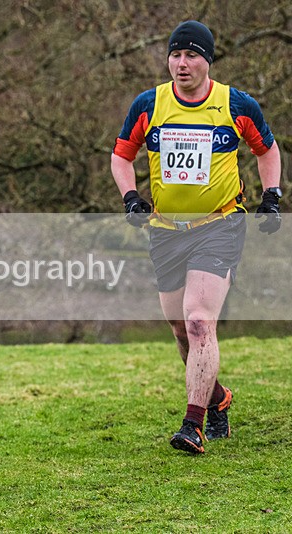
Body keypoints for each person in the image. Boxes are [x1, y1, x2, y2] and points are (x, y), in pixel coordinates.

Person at [111, 21, 282, 454]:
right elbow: (121, 156)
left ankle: (193, 424)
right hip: (166, 230)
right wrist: (131, 197)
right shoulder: (149, 104)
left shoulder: (235, 105)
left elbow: (267, 149)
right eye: (175, 55)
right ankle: (217, 395)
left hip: (219, 224)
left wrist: (272, 196)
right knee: (180, 329)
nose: (182, 64)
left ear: (208, 60)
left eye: (191, 55)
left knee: (199, 320)